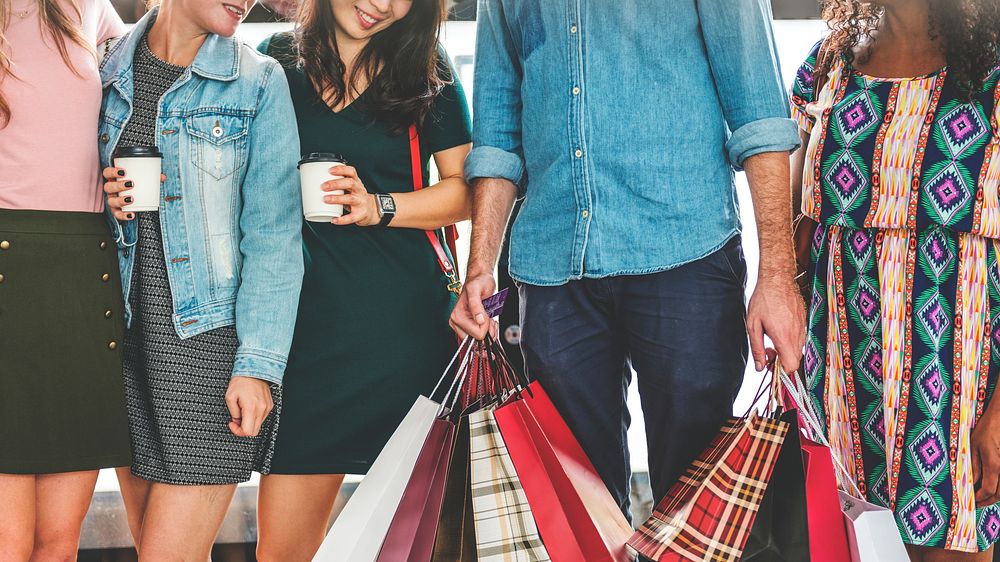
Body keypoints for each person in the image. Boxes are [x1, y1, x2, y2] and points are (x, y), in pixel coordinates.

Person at [450, 0, 805, 523]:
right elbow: (498, 132)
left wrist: (776, 274)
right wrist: (480, 265)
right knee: (575, 512)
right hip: (552, 269)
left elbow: (759, 116)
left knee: (696, 515)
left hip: (686, 255)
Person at [253, 0, 472, 558]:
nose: (385, 5)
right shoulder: (275, 61)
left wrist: (380, 206)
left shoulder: (425, 63)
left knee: (404, 550)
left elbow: (467, 190)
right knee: (281, 553)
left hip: (404, 337)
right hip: (303, 341)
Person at [790, 0, 1000, 558]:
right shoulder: (826, 68)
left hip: (955, 382)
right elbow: (799, 237)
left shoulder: (993, 71)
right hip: (841, 377)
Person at [98, 0, 303, 557]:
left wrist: (258, 367)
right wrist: (104, 196)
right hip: (122, 345)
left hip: (211, 354)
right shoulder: (107, 66)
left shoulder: (258, 81)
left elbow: (274, 237)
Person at [0, 0, 131, 557]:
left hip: (82, 266)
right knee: (9, 540)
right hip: (9, 259)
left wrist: (121, 172)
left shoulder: (89, 7)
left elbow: (147, 90)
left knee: (59, 540)